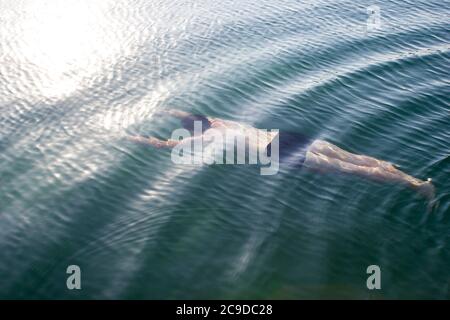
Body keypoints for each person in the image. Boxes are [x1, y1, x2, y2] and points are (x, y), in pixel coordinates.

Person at [128, 109, 435, 199]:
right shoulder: (219, 121)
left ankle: (417, 185)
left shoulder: (207, 135)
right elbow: (190, 114)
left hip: (277, 150)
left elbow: (166, 146)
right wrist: (166, 109)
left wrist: (132, 137)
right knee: (354, 157)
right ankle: (401, 171)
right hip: (285, 136)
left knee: (352, 170)